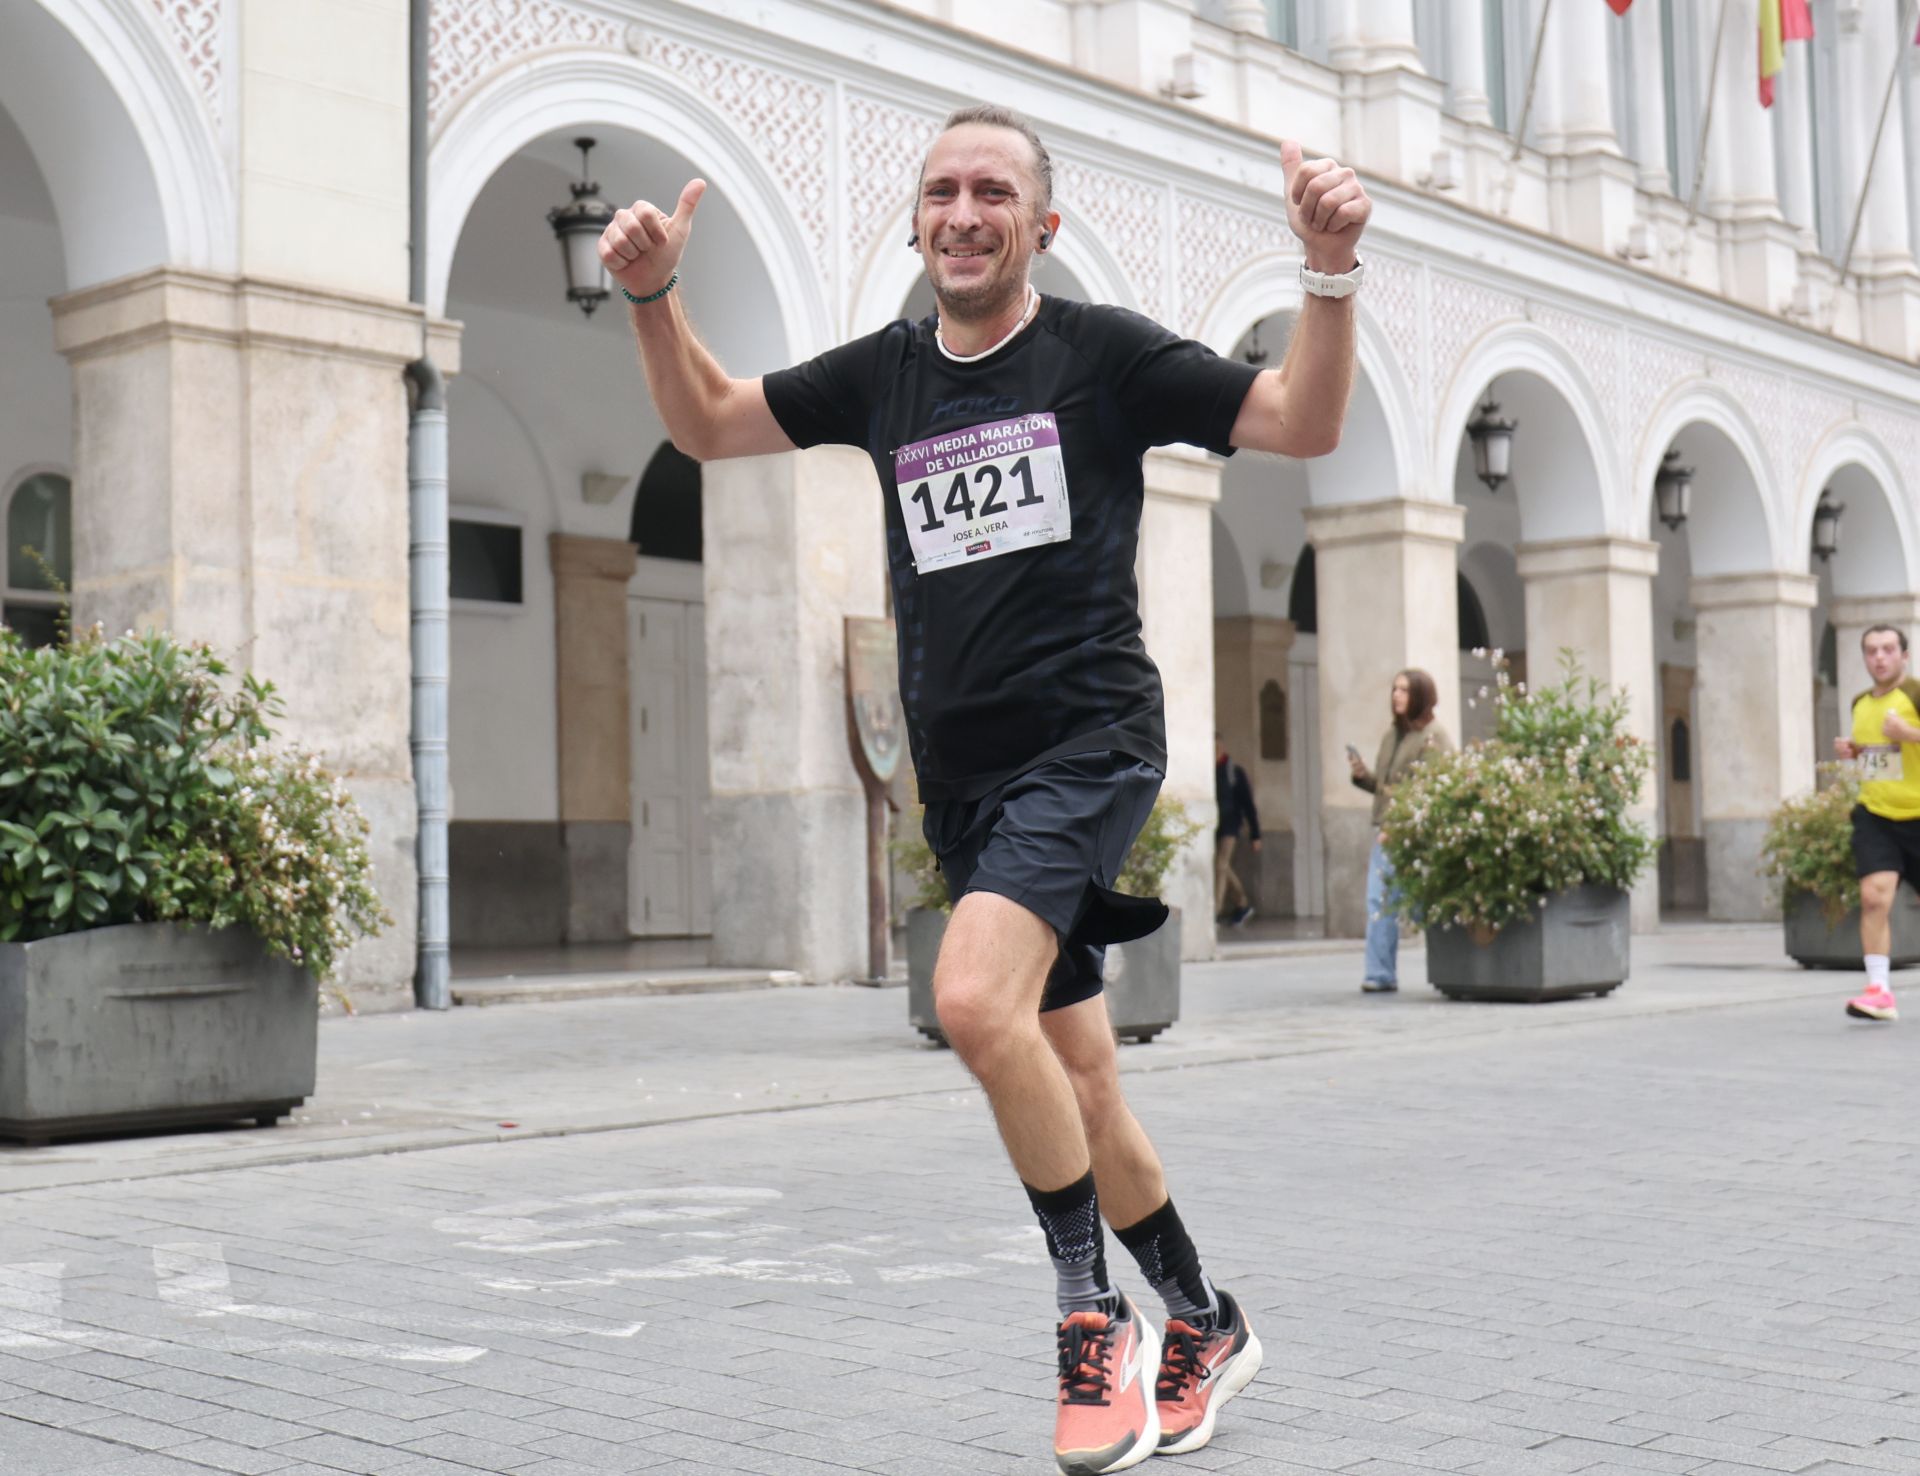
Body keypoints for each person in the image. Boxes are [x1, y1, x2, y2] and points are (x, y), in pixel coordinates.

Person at [599, 102, 1371, 1474]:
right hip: (961, 783)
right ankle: (1202, 1317)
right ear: (915, 222)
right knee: (1077, 1071)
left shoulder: (1104, 356)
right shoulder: (884, 377)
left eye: (995, 192)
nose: (965, 211)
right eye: (943, 190)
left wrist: (1325, 275)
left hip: (1086, 744)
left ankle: (1096, 1325)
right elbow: (713, 424)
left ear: (1041, 226)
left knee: (968, 1000)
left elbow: (1304, 421)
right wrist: (656, 297)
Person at [1831, 624, 1920, 1023]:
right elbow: (1880, 757)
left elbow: (1905, 742)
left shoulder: (1915, 694)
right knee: (1873, 897)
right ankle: (1879, 990)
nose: (1879, 658)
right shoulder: (1860, 703)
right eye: (1871, 651)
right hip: (1876, 814)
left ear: (1904, 655)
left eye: (1887, 650)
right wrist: (1854, 751)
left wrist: (1910, 734)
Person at [1347, 669, 1450, 994]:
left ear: (1420, 695)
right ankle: (1380, 974)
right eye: (1394, 689)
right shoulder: (1393, 735)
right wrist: (1364, 777)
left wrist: (1397, 825)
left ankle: (1450, 964)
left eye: (1404, 690)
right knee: (1380, 900)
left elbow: (1431, 791)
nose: (1396, 695)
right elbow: (1388, 787)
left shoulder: (1434, 737)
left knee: (1421, 905)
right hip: (1386, 830)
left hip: (1410, 834)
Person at [1214, 736, 1261, 927]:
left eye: (1217, 747)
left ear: (1223, 748)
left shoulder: (1234, 772)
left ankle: (1214, 912)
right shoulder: (1208, 772)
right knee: (1222, 866)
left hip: (1230, 827)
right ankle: (1242, 903)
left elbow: (1248, 805)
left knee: (1220, 866)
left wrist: (1255, 834)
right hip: (1215, 826)